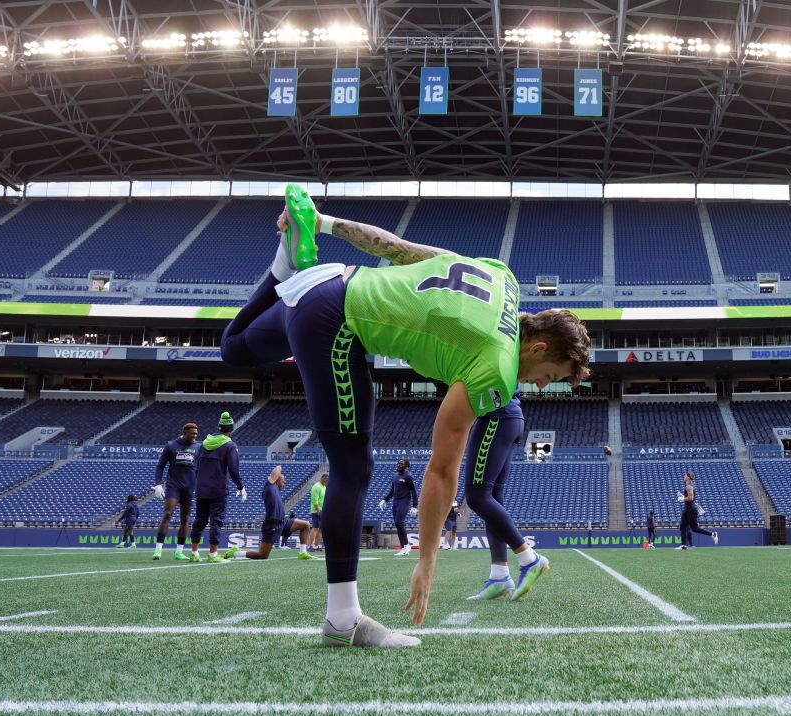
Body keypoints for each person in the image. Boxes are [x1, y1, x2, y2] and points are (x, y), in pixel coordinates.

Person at [216, 186, 592, 645]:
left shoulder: (502, 277)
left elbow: (395, 247)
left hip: (328, 281)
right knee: (353, 469)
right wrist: (427, 560)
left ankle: (285, 260)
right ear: (537, 348)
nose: (538, 385)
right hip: (335, 321)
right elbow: (441, 469)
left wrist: (324, 224)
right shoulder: (498, 367)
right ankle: (342, 621)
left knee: (233, 348)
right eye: (548, 375)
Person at [463, 392, 550, 602]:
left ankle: (529, 559)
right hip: (509, 416)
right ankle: (499, 576)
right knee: (491, 495)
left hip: (495, 415)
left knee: (476, 496)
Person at [189, 412, 246, 562]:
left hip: (201, 489)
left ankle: (194, 553)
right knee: (216, 521)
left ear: (219, 428)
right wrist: (241, 487)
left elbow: (196, 466)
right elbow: (233, 469)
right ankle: (213, 554)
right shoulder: (230, 445)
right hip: (218, 489)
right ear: (231, 430)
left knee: (199, 521)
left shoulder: (203, 444)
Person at [224, 465, 313, 560]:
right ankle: (236, 553)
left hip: (283, 522)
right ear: (276, 479)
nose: (285, 483)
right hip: (272, 524)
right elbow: (277, 469)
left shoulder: (276, 490)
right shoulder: (269, 486)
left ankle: (302, 552)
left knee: (305, 525)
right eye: (283, 481)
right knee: (262, 555)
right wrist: (280, 466)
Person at [151, 421, 199, 561]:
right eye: (192, 434)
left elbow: (201, 468)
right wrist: (158, 484)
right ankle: (158, 550)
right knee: (167, 514)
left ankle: (179, 552)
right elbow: (160, 466)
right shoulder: (171, 445)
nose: (194, 436)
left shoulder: (198, 447)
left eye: (196, 434)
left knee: (185, 519)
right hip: (174, 485)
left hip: (189, 488)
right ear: (184, 433)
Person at [381, 459, 419, 557]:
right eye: (398, 463)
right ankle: (404, 547)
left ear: (407, 466)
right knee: (398, 525)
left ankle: (406, 546)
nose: (399, 465)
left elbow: (414, 491)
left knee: (399, 522)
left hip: (404, 502)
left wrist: (415, 506)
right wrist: (384, 500)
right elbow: (392, 491)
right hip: (395, 503)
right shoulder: (395, 476)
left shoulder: (409, 476)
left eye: (401, 464)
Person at [676, 471, 717, 549]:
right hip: (688, 508)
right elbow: (689, 497)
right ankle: (683, 545)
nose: (684, 476)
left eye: (685, 475)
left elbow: (691, 498)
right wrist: (682, 496)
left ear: (688, 477)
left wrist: (682, 498)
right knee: (683, 526)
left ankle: (712, 534)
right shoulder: (689, 486)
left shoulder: (688, 486)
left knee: (694, 528)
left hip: (690, 509)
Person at [307, 472, 328, 552]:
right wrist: (318, 509)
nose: (327, 482)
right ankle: (310, 546)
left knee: (320, 529)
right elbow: (314, 500)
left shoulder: (324, 487)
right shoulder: (316, 486)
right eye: (326, 480)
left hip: (323, 511)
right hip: (316, 511)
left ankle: (317, 546)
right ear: (323, 478)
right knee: (315, 528)